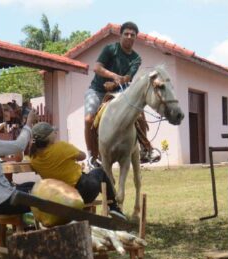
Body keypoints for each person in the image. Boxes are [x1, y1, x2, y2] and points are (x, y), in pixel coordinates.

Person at [84, 21, 159, 167]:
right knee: (88, 120)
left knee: (138, 113)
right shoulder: (110, 49)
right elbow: (97, 68)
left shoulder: (136, 58)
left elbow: (128, 78)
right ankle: (91, 157)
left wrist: (116, 83)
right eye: (126, 34)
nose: (129, 37)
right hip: (98, 90)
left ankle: (146, 149)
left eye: (132, 35)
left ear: (135, 37)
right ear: (121, 35)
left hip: (120, 90)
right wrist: (114, 77)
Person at [29, 122, 127, 221]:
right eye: (53, 132)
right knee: (99, 172)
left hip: (61, 199)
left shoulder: (33, 159)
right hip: (83, 191)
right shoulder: (61, 147)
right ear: (49, 137)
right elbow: (83, 156)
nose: (55, 133)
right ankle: (114, 207)